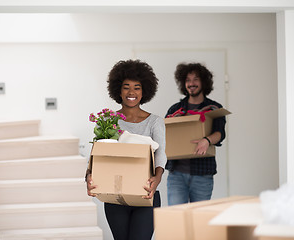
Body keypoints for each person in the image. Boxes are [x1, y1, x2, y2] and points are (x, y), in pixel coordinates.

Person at [85, 59, 167, 240]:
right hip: (116, 198)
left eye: (137, 87)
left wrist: (157, 178)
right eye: (126, 87)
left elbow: (160, 154)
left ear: (144, 90)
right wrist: (89, 175)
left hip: (146, 195)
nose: (131, 92)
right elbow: (98, 154)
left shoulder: (155, 122)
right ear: (118, 91)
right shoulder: (109, 120)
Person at [165, 62, 226, 206]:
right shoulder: (175, 109)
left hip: (203, 174)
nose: (191, 83)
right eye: (187, 80)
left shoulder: (214, 108)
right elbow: (165, 133)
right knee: (176, 217)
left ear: (204, 82)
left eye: (195, 79)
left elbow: (220, 133)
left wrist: (207, 140)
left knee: (199, 217)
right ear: (183, 84)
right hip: (176, 175)